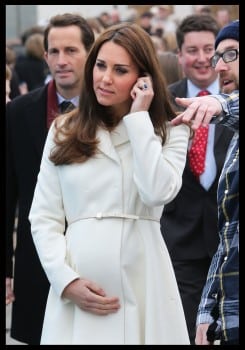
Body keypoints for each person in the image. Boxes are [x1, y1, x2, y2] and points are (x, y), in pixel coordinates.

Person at [28, 22, 190, 345]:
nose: (104, 78)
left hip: (145, 285)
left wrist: (139, 120)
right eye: (100, 65)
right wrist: (65, 280)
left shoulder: (169, 131)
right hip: (78, 294)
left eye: (120, 70)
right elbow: (43, 217)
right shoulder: (64, 130)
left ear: (142, 78)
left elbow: (157, 192)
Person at [6, 13, 95, 345]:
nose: (62, 61)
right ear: (44, 57)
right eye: (54, 52)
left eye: (71, 50)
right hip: (37, 259)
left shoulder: (114, 111)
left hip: (98, 258)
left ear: (90, 53)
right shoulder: (17, 113)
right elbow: (8, 194)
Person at [160, 14, 234, 344]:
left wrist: (220, 104)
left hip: (228, 238)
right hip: (181, 238)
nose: (204, 59)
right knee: (188, 331)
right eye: (193, 50)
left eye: (210, 49)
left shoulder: (231, 98)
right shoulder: (163, 101)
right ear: (180, 56)